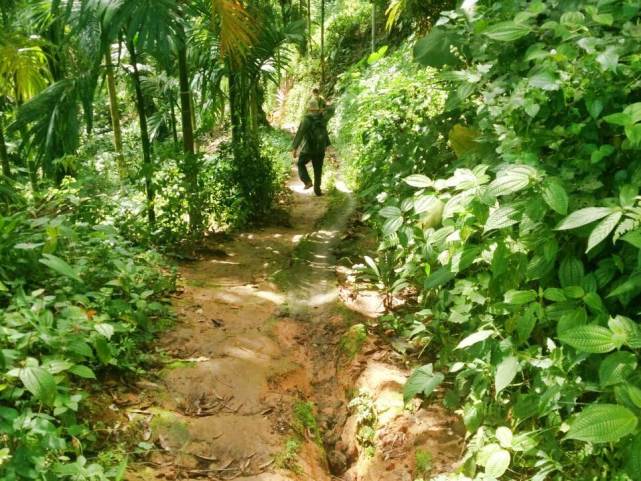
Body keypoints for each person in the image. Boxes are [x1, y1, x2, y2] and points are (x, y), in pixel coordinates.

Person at [291, 88, 331, 196]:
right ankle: (317, 190)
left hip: (308, 148)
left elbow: (300, 133)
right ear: (318, 109)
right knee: (318, 169)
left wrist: (295, 148)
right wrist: (327, 145)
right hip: (320, 149)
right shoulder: (322, 119)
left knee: (300, 164)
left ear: (309, 109)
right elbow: (324, 132)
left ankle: (307, 181)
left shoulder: (306, 120)